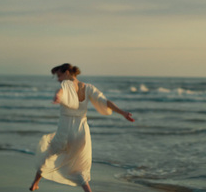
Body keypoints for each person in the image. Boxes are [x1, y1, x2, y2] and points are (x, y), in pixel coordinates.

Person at [29, 63, 134, 192]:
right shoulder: (89, 87)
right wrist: (123, 113)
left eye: (59, 75)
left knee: (48, 154)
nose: (58, 79)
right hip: (81, 131)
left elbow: (61, 91)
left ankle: (34, 184)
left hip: (65, 130)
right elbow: (105, 102)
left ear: (67, 72)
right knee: (79, 167)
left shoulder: (66, 85)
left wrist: (57, 96)